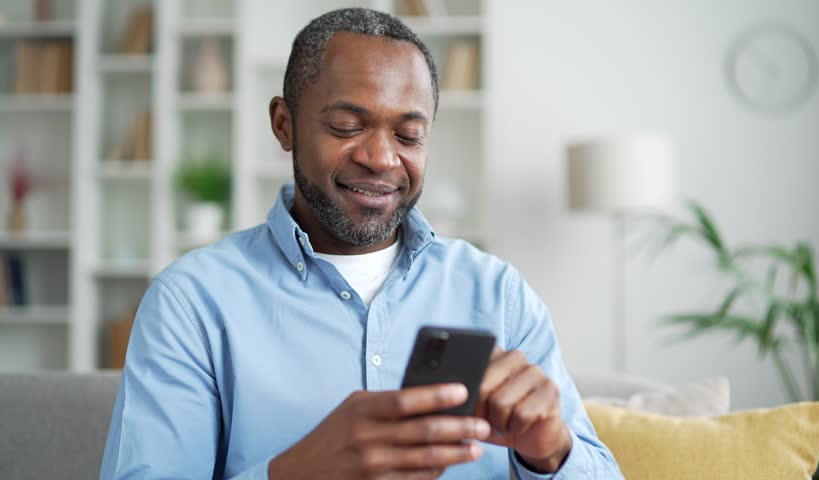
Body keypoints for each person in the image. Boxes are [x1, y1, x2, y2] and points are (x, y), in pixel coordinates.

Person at [100, 8, 622, 480]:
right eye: (347, 125)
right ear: (284, 125)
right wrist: (294, 474)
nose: (381, 158)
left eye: (409, 136)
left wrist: (549, 453)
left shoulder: (499, 296)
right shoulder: (190, 303)